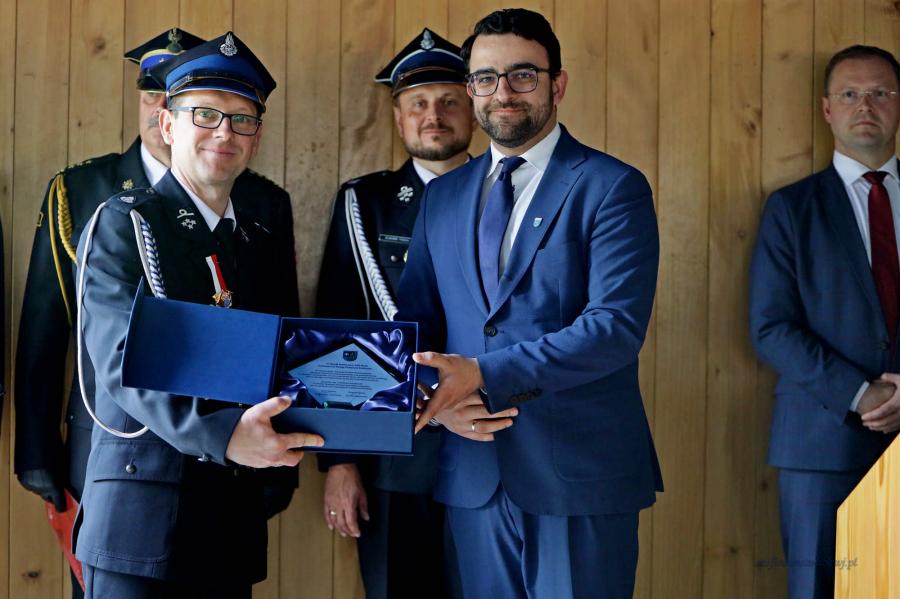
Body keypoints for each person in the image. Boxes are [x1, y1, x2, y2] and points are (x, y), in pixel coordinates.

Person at [395, 9, 663, 598]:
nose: (503, 93)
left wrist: (479, 374)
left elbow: (614, 328)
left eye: (522, 75)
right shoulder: (443, 197)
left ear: (556, 84)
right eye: (485, 78)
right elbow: (414, 327)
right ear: (471, 89)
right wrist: (434, 404)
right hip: (474, 473)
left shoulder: (612, 187)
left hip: (578, 474)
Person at [73, 31, 324, 598]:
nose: (224, 132)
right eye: (204, 115)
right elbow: (119, 361)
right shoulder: (124, 223)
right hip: (140, 521)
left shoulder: (257, 240)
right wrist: (224, 434)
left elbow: (285, 356)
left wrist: (379, 404)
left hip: (230, 522)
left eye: (242, 120)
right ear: (167, 125)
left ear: (256, 138)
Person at [13, 28, 205, 599]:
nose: (158, 108)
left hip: (220, 454)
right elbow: (45, 327)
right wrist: (36, 449)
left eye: (175, 97)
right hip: (101, 444)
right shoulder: (80, 189)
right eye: (151, 95)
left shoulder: (255, 197)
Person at [315, 28, 473, 599]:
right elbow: (338, 329)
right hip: (393, 452)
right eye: (419, 103)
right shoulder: (366, 202)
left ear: (473, 110)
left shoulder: (508, 196)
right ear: (399, 117)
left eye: (449, 101)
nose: (435, 116)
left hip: (490, 447)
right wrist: (341, 461)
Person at [750, 45, 900, 599]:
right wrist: (863, 394)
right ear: (827, 109)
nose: (866, 106)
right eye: (850, 94)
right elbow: (770, 327)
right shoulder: (791, 208)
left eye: (881, 93)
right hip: (820, 446)